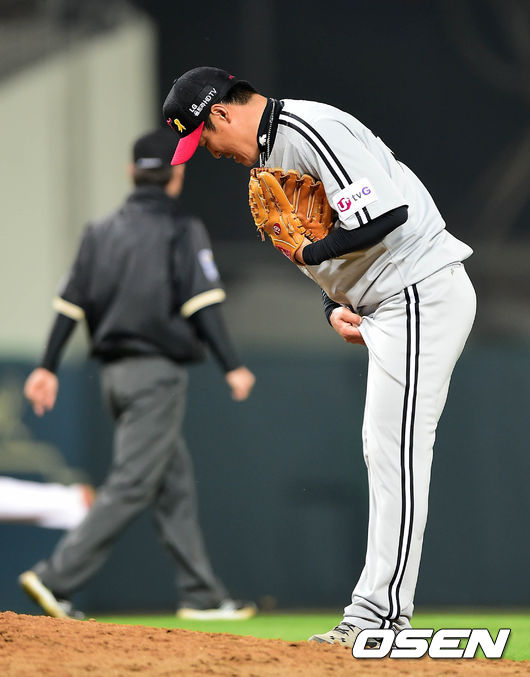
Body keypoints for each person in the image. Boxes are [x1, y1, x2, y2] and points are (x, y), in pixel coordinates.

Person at [162, 67, 476, 647]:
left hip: (419, 290)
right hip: (389, 301)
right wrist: (331, 303)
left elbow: (385, 216)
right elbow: (335, 246)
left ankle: (379, 618)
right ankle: (379, 614)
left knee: (396, 453)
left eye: (203, 136)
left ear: (222, 113)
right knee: (385, 451)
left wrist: (313, 253)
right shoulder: (269, 157)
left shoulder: (309, 128)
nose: (207, 150)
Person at [20, 128, 256, 622]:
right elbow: (203, 305)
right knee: (132, 483)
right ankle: (55, 577)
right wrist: (231, 365)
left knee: (173, 484)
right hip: (155, 376)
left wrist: (47, 366)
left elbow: (69, 305)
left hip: (113, 377)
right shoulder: (181, 228)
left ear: (131, 172)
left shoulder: (100, 231)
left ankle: (202, 595)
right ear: (177, 174)